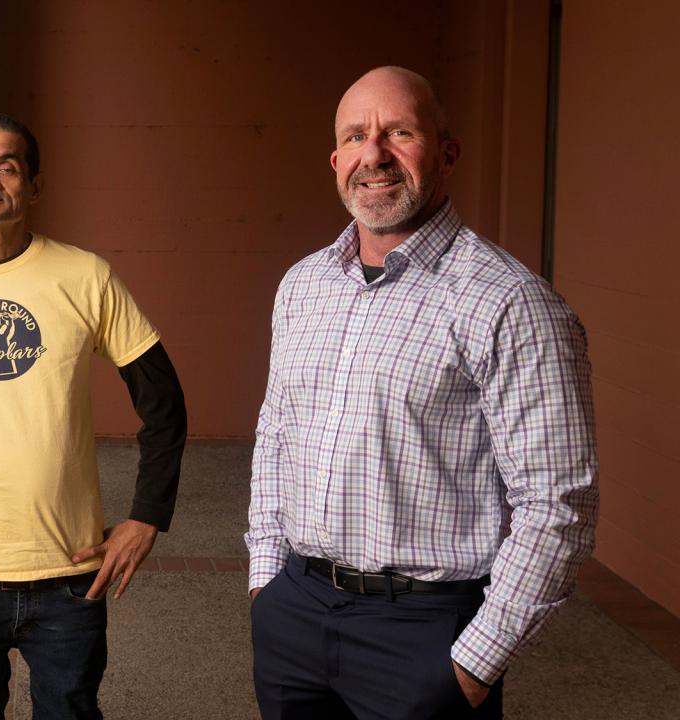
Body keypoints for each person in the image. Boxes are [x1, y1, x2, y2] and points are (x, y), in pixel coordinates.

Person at [245, 66, 598, 719]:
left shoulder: (511, 303)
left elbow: (558, 505)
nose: (373, 154)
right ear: (335, 159)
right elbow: (276, 435)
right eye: (356, 137)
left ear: (447, 151)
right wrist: (266, 583)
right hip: (294, 614)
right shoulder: (302, 286)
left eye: (398, 133)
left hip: (424, 635)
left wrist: (473, 665)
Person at [0, 113, 187, 718]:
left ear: (35, 186)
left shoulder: (85, 276)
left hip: (69, 570)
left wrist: (148, 517)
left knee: (70, 710)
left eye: (7, 166)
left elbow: (164, 402)